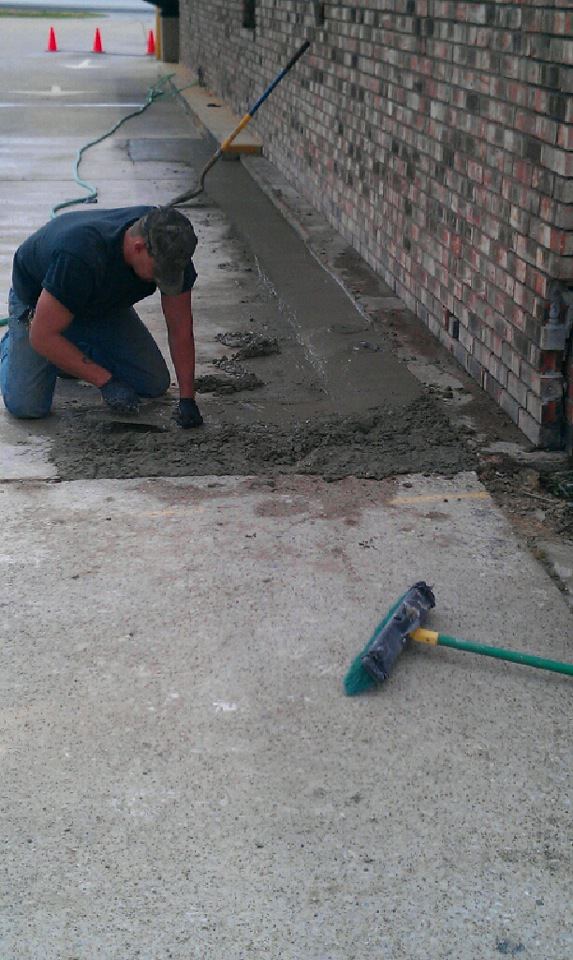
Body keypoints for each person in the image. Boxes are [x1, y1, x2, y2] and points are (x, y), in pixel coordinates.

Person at [0, 204, 203, 428]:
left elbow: (180, 329)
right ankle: (10, 346)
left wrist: (187, 399)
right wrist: (105, 381)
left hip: (101, 305)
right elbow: (41, 335)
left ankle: (66, 351)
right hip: (41, 305)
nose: (163, 280)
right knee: (28, 407)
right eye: (158, 274)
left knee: (153, 383)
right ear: (138, 247)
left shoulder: (172, 248)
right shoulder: (80, 254)